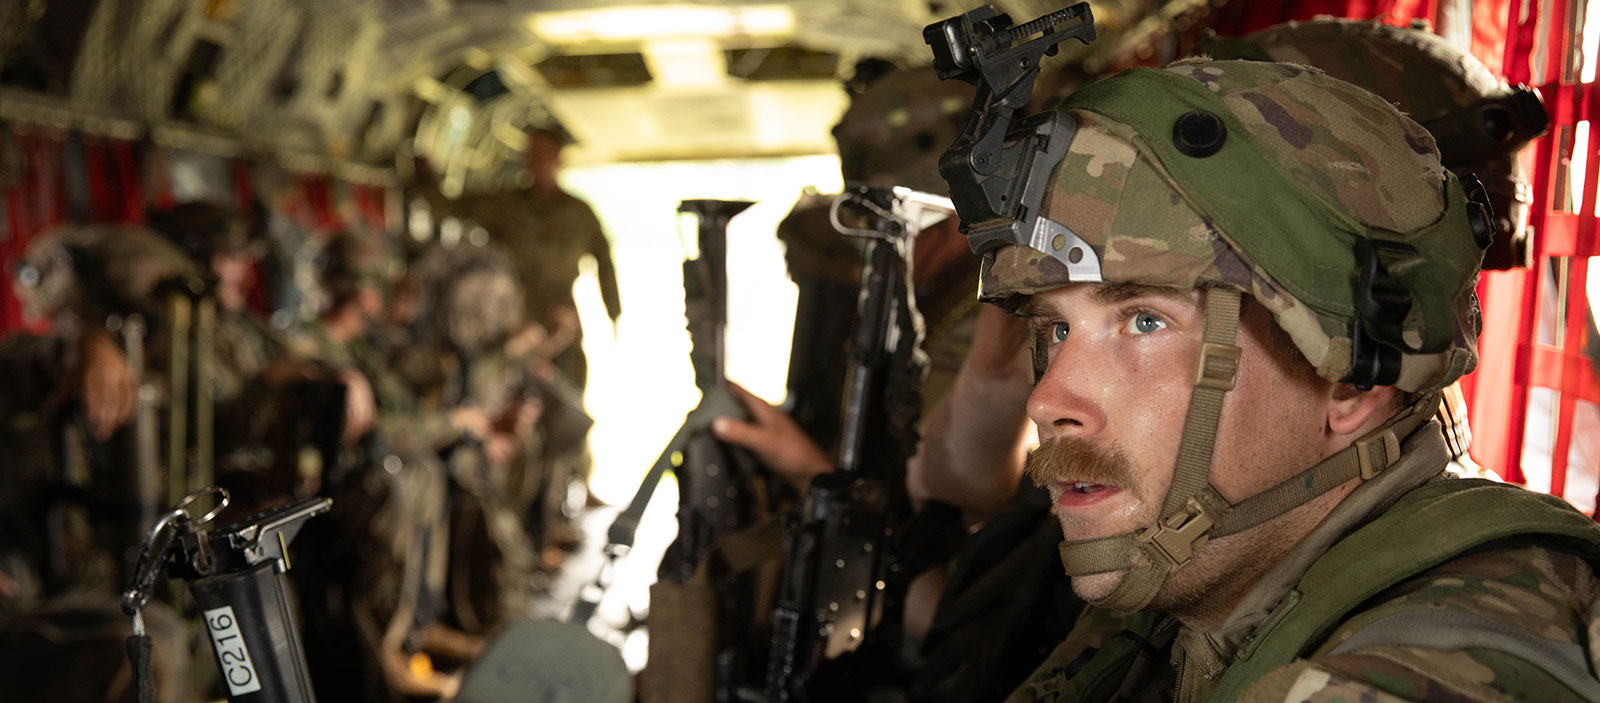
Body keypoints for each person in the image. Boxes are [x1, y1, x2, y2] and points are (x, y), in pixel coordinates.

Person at [970, 58, 1600, 701]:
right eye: (1056, 330)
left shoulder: (1435, 655)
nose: (1047, 402)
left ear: (1351, 381)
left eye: (1145, 322)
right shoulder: (1188, 582)